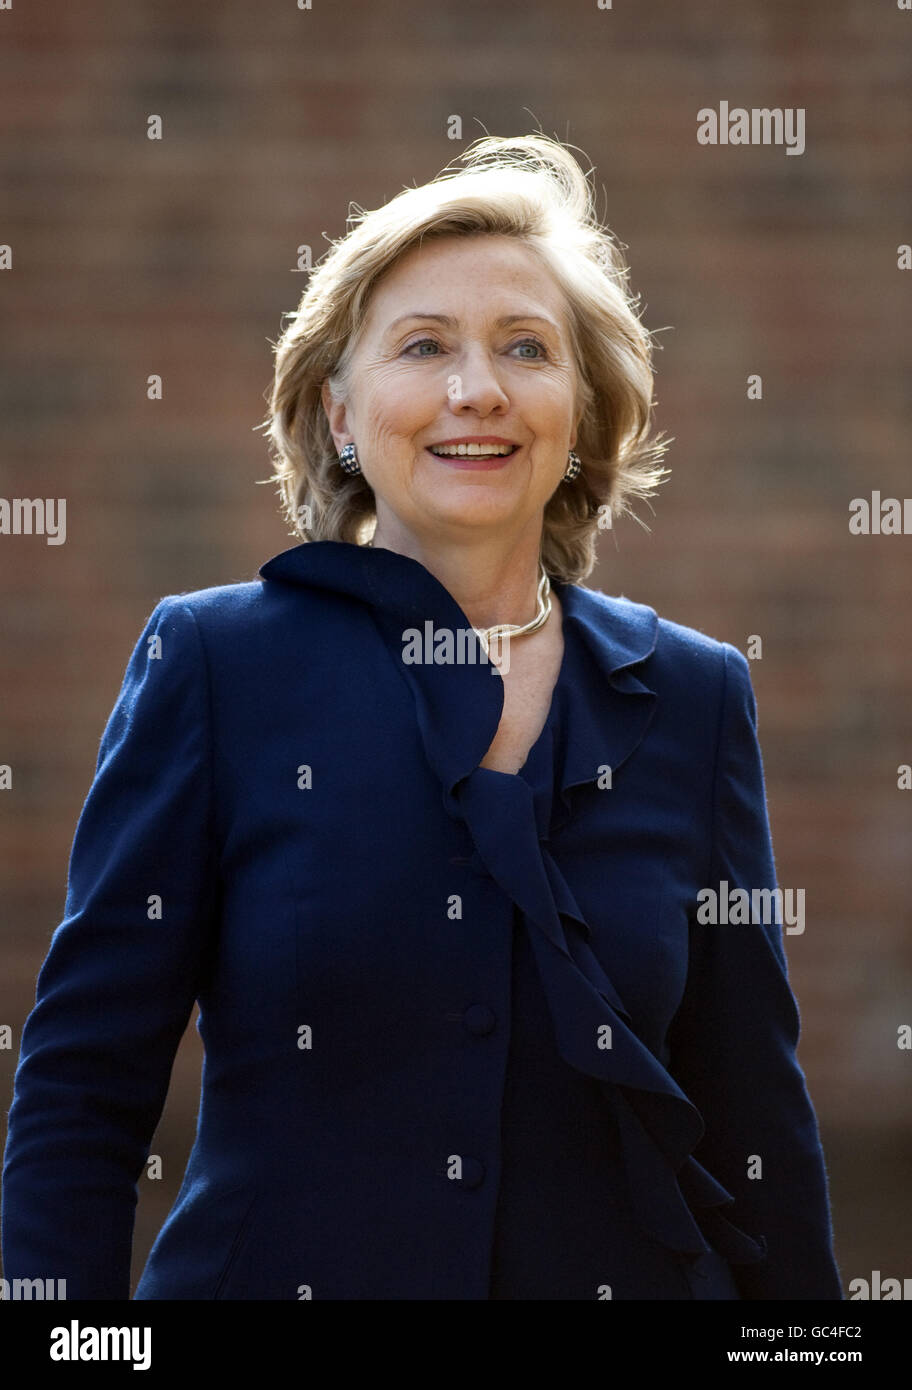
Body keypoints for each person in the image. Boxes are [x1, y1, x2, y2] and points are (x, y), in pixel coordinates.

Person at [1, 134, 842, 1300]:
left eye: (525, 348)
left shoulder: (696, 697)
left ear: (582, 412)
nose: (476, 388)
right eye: (424, 346)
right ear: (341, 415)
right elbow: (84, 1087)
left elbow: (758, 1118)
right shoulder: (215, 664)